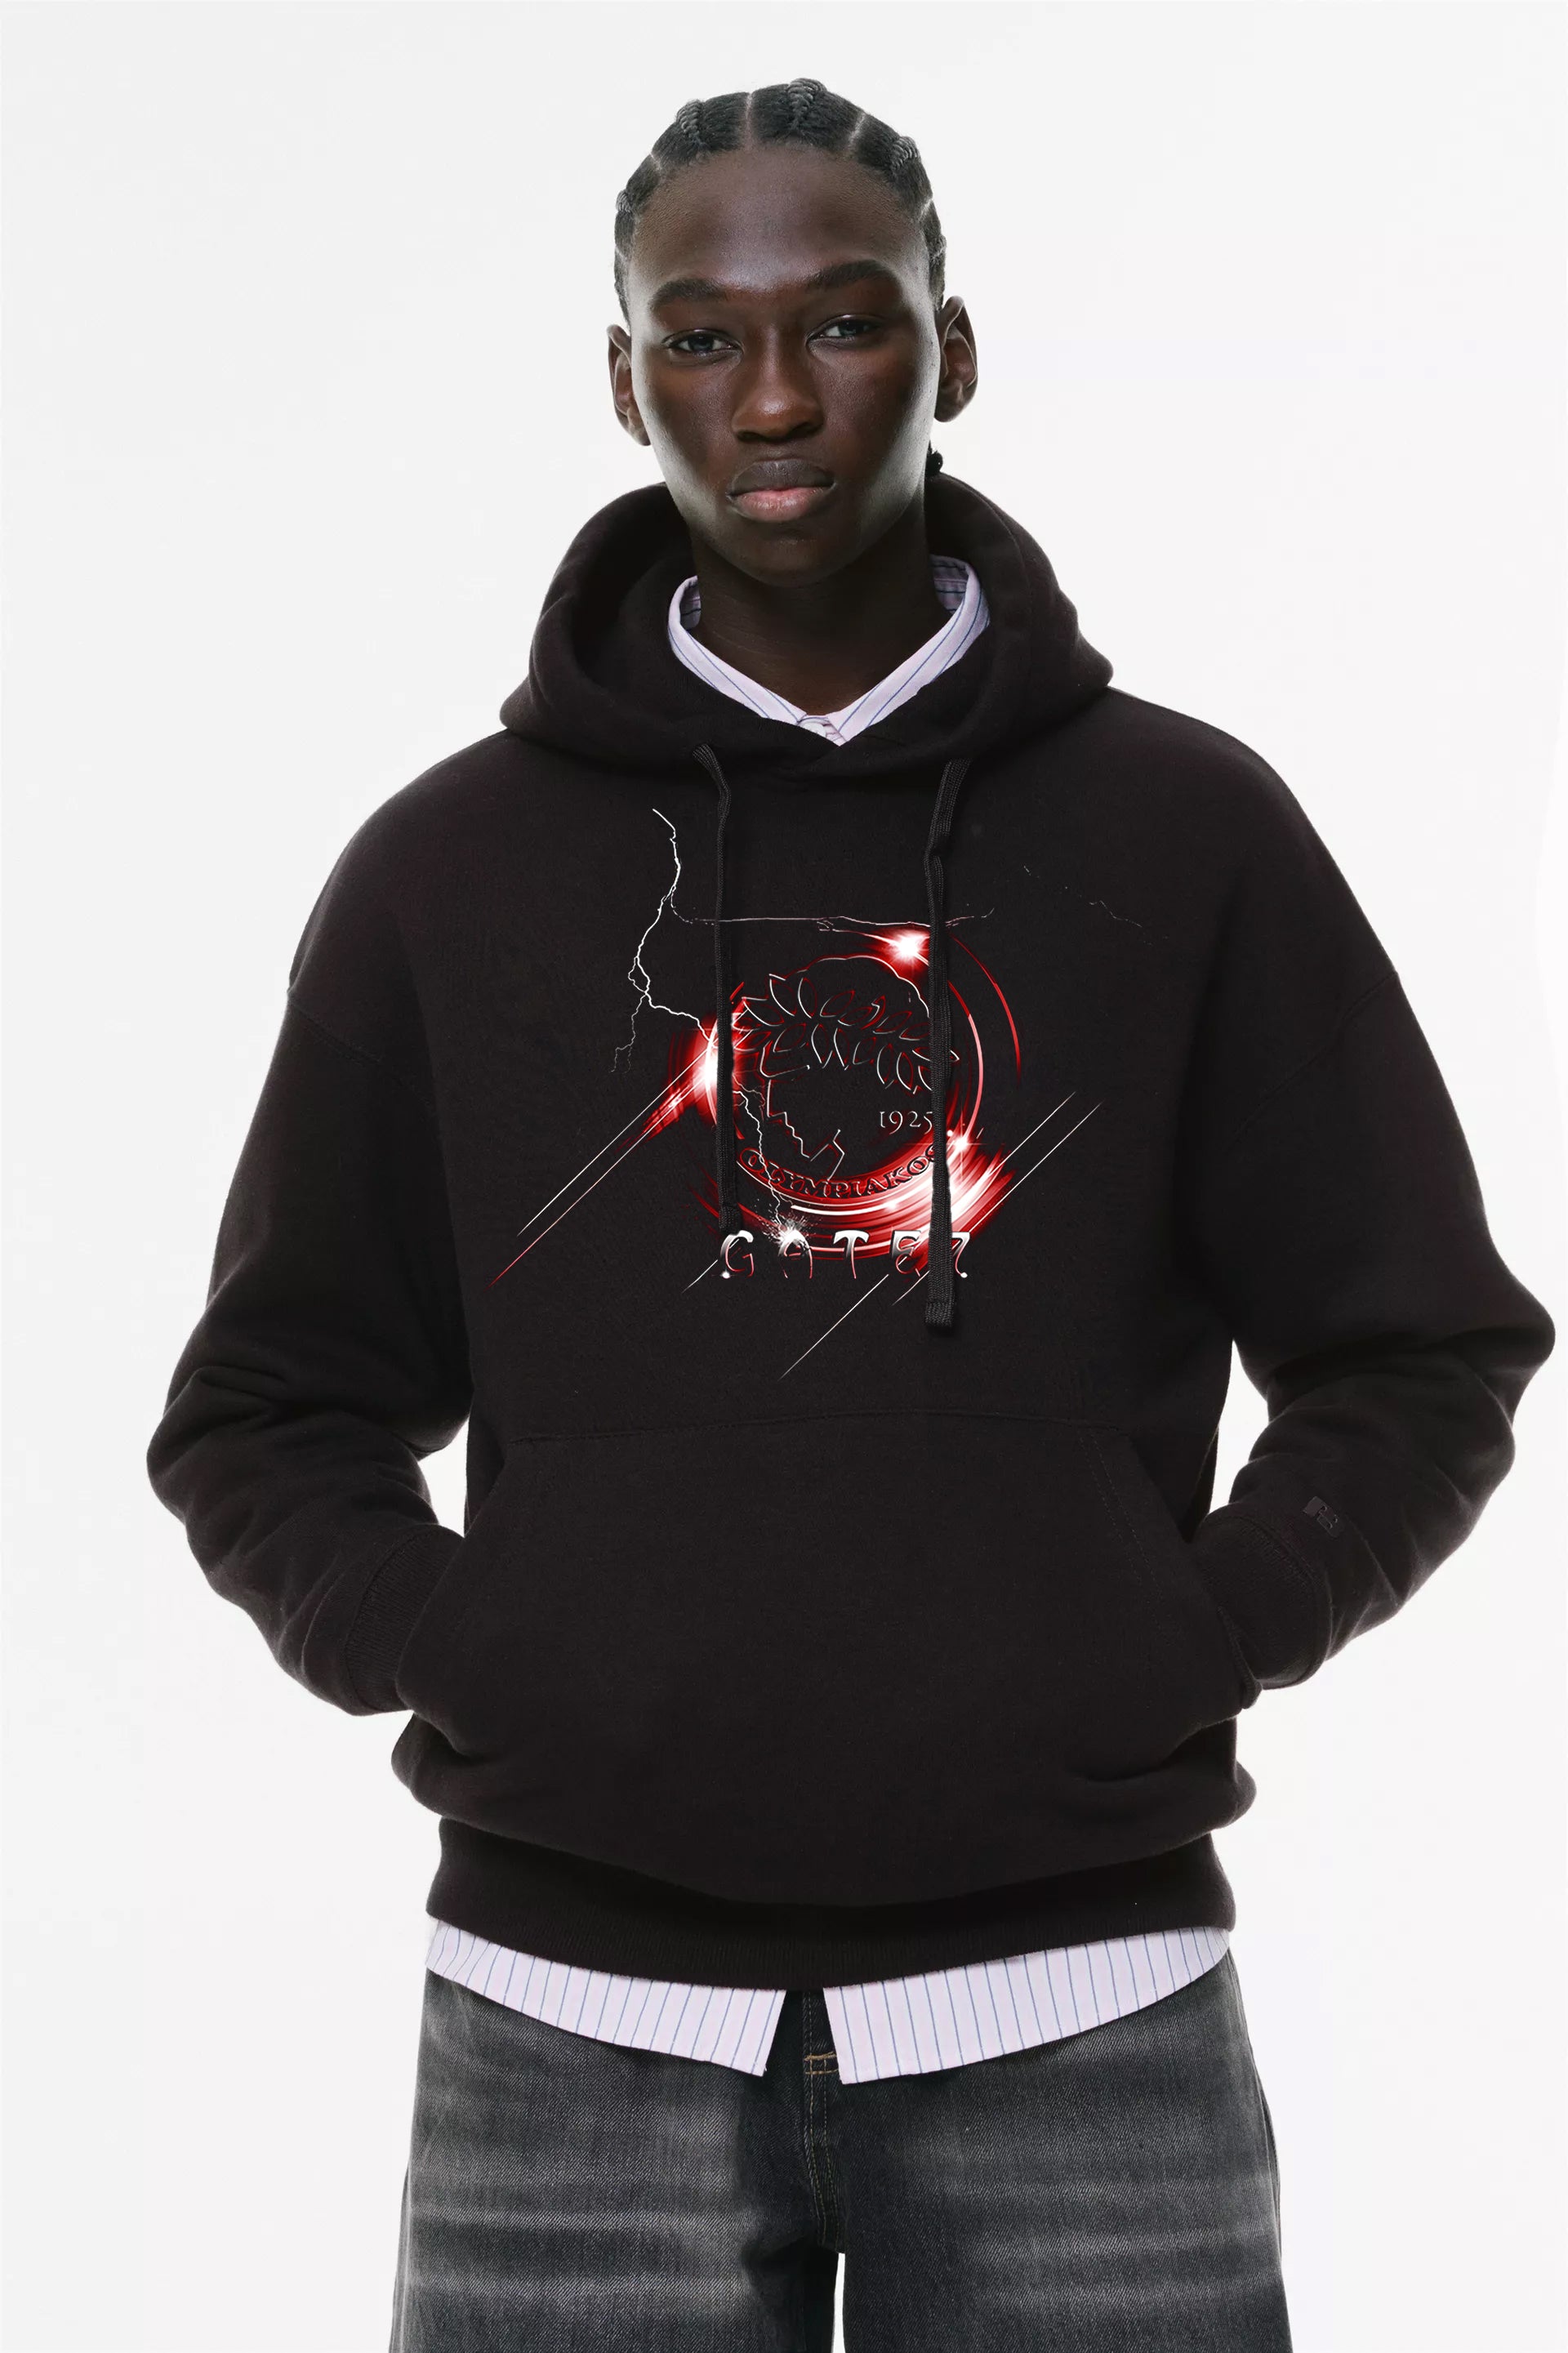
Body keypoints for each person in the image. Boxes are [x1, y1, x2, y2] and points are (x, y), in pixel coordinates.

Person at [145, 77, 1554, 2352]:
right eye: (701, 337)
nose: (776, 397)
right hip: (564, 2029)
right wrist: (478, 1652)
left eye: (846, 320)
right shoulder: (446, 873)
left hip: (1081, 2011)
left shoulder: (1189, 836)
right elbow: (270, 1407)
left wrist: (1189, 1630)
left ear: (953, 347)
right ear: (625, 381)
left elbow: (1419, 1344)